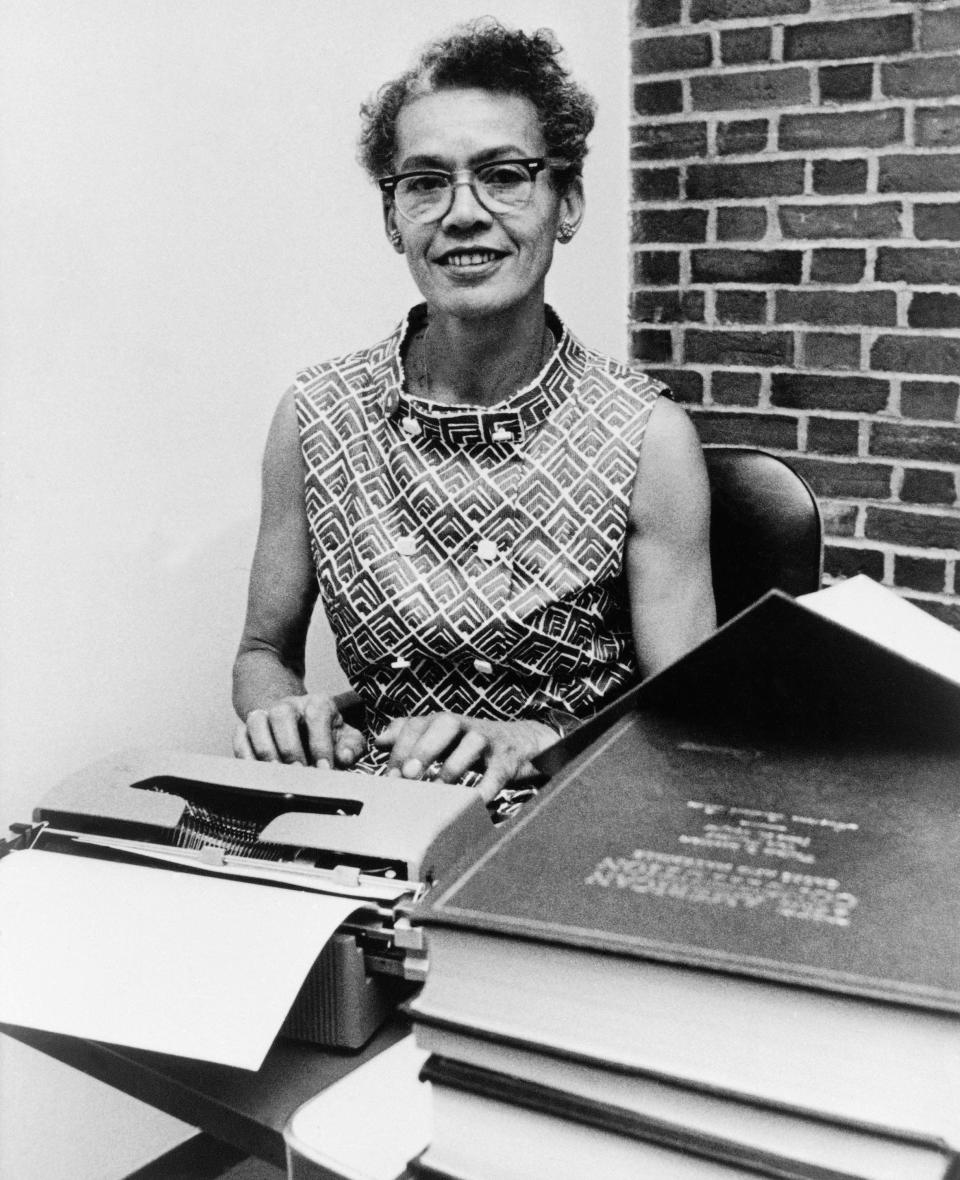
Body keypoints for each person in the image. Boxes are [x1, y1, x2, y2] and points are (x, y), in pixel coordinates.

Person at [232, 19, 716, 809]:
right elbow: (261, 652)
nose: (462, 212)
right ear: (395, 220)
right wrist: (284, 715)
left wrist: (537, 738)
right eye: (425, 182)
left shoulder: (647, 439)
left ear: (567, 203)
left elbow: (689, 719)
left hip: (567, 821)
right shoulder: (314, 416)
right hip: (370, 820)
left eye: (504, 175)